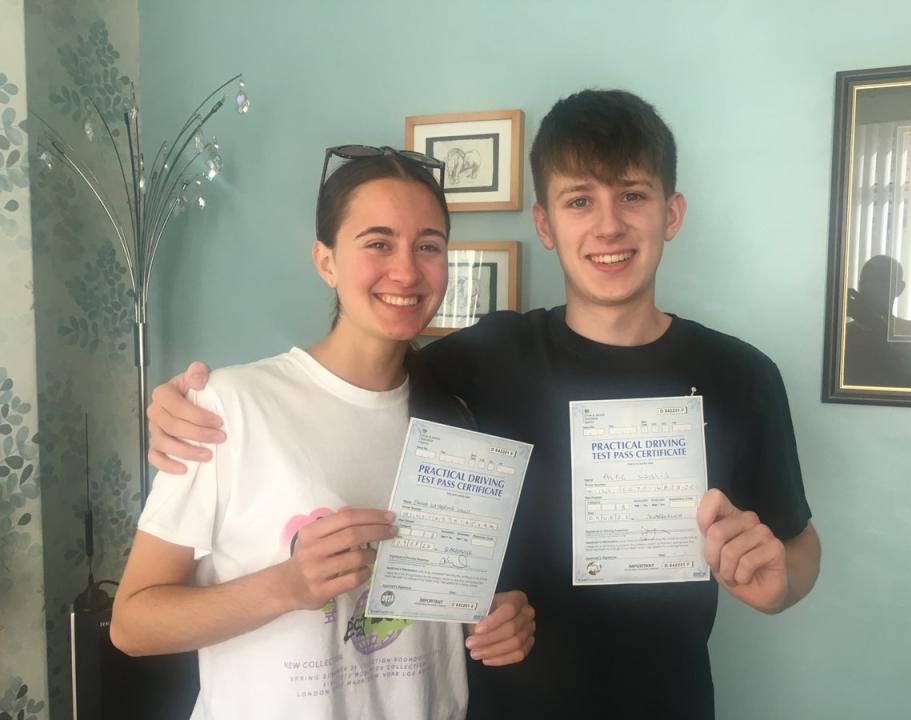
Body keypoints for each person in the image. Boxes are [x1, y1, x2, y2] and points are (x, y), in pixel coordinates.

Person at [147, 91, 821, 719]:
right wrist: (186, 409)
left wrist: (780, 581)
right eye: (580, 200)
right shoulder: (482, 360)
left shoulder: (743, 376)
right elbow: (349, 388)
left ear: (670, 213)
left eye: (633, 195)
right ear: (546, 224)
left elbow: (798, 547)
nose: (609, 226)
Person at [111, 147, 535, 720]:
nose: (406, 271)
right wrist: (285, 586)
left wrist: (499, 616)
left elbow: (443, 604)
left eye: (428, 246)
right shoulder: (229, 407)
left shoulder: (455, 415)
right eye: (378, 243)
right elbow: (132, 624)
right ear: (326, 260)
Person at [844, 253, 911, 388]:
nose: (870, 287)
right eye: (866, 280)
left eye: (881, 280)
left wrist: (871, 320)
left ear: (899, 288)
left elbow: (910, 364)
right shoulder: (844, 332)